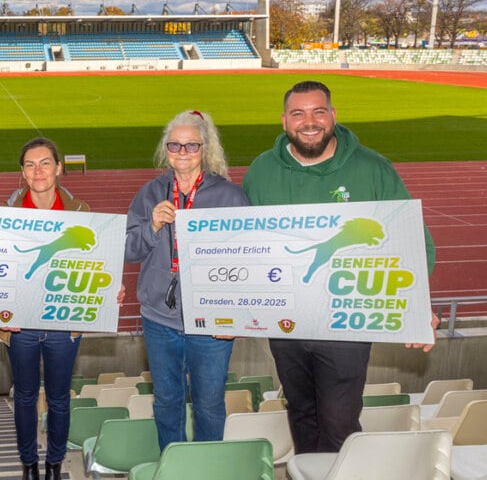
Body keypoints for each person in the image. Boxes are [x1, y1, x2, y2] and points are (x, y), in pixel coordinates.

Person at [242, 80, 438, 454]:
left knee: (338, 419)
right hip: (287, 322)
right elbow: (244, 247)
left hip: (346, 323)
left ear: (333, 115)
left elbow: (413, 242)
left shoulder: (373, 169)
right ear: (284, 121)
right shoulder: (261, 172)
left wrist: (417, 303)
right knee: (300, 412)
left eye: (318, 111)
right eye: (298, 114)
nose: (309, 122)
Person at [125, 110, 249, 450]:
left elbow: (248, 261)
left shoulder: (230, 197)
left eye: (190, 145)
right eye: (174, 145)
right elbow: (128, 249)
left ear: (204, 148)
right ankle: (174, 463)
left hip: (211, 323)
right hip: (159, 319)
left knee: (209, 405)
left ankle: (206, 467)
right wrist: (150, 227)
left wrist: (236, 315)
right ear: (165, 150)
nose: (182, 152)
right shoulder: (150, 193)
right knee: (166, 403)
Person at [0, 137, 88, 480]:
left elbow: (94, 266)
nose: (38, 171)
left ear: (59, 168)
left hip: (64, 325)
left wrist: (109, 285)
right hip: (21, 325)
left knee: (59, 399)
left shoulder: (80, 212)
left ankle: (54, 464)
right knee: (23, 397)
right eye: (30, 164)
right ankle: (29, 465)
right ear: (22, 172)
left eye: (45, 163)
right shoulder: (6, 215)